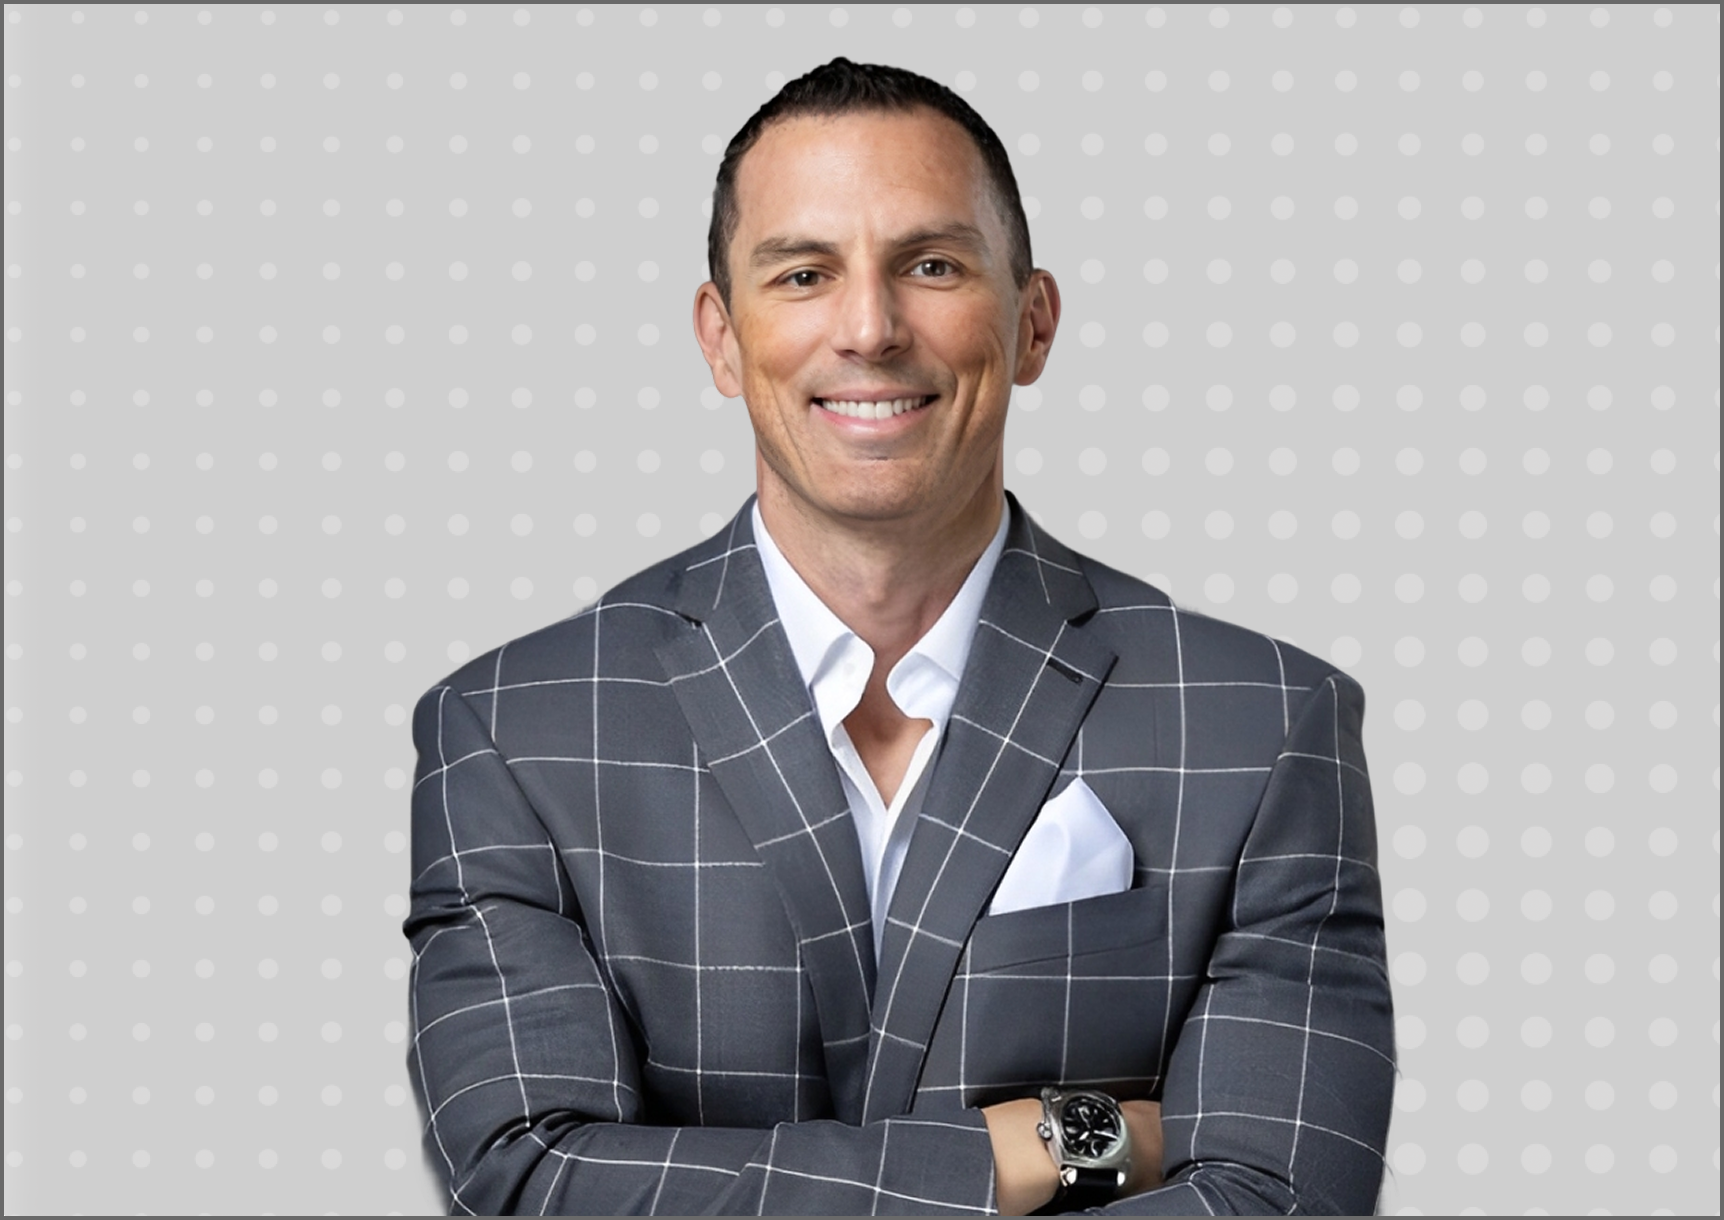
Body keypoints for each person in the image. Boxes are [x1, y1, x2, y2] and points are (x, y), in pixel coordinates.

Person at [403, 57, 1396, 1215]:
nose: (869, 329)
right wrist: (1065, 1144)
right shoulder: (510, 730)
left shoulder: (1263, 721)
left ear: (1031, 323)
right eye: (803, 273)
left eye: (930, 265)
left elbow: (1280, 1196)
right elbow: (519, 1178)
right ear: (721, 341)